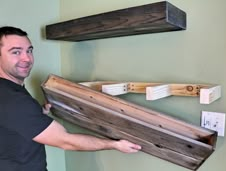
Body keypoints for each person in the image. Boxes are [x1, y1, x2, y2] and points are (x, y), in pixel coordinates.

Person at [0, 26, 141, 171]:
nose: (27, 58)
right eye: (16, 52)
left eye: (29, 50)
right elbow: (66, 142)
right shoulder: (13, 99)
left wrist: (38, 113)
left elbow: (12, 122)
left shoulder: (9, 91)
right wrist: (114, 144)